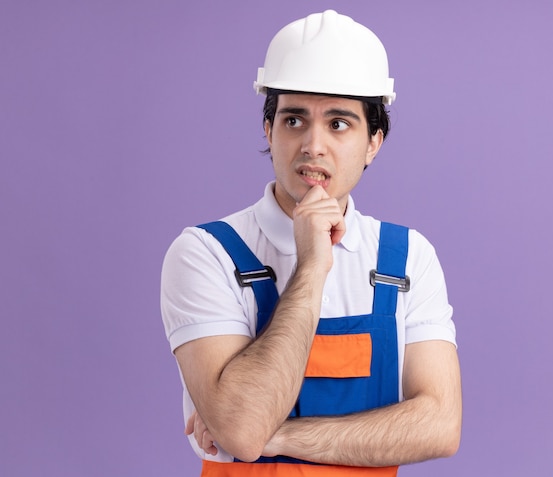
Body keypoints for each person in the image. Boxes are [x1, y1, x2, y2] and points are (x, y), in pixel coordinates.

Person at [161, 10, 462, 476]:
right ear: (269, 130)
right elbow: (242, 428)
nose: (312, 145)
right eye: (294, 120)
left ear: (373, 142)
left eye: (339, 124)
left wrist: (277, 436)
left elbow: (440, 427)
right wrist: (311, 266)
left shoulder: (407, 258)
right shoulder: (206, 253)